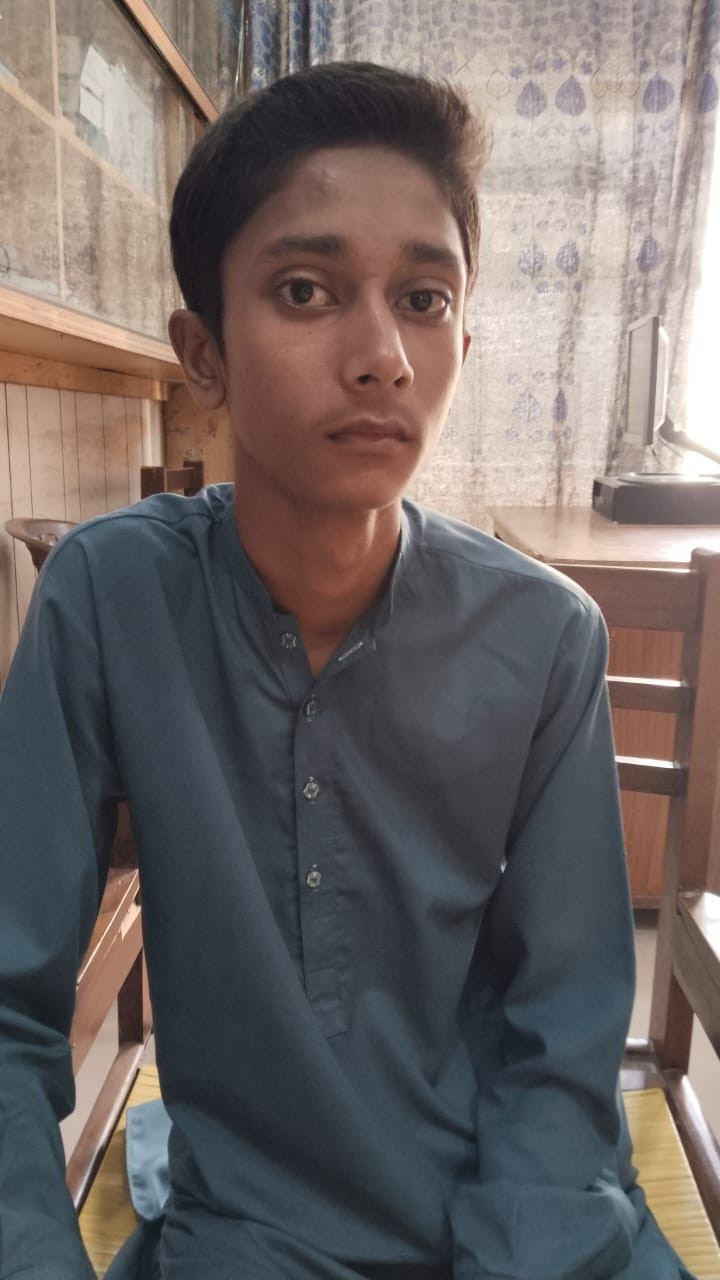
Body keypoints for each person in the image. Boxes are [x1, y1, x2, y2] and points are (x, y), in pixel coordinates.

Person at [0, 61, 694, 1280]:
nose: (382, 356)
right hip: (253, 1235)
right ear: (203, 351)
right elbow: (8, 1007)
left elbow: (563, 1041)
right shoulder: (110, 600)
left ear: (462, 339)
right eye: (306, 290)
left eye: (423, 299)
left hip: (536, 1217)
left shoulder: (546, 638)